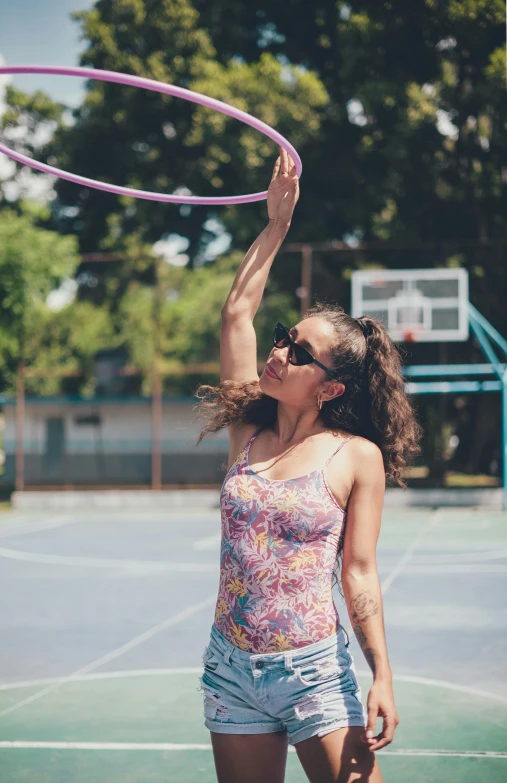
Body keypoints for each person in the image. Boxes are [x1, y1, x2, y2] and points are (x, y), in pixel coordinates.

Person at [195, 147, 421, 783]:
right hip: (231, 669)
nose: (279, 351)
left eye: (299, 352)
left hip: (313, 671)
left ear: (331, 389)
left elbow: (361, 572)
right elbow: (237, 312)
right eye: (283, 337)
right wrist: (276, 225)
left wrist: (381, 674)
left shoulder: (357, 458)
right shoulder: (247, 427)